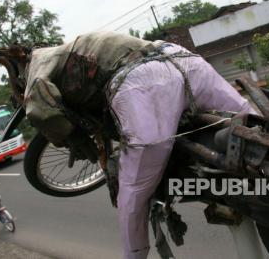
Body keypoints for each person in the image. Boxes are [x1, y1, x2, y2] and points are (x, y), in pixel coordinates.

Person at [22, 31, 256, 259]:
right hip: (182, 58)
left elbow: (38, 107)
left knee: (133, 191)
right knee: (254, 123)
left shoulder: (38, 60)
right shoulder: (77, 45)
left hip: (142, 83)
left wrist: (72, 136)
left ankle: (134, 255)